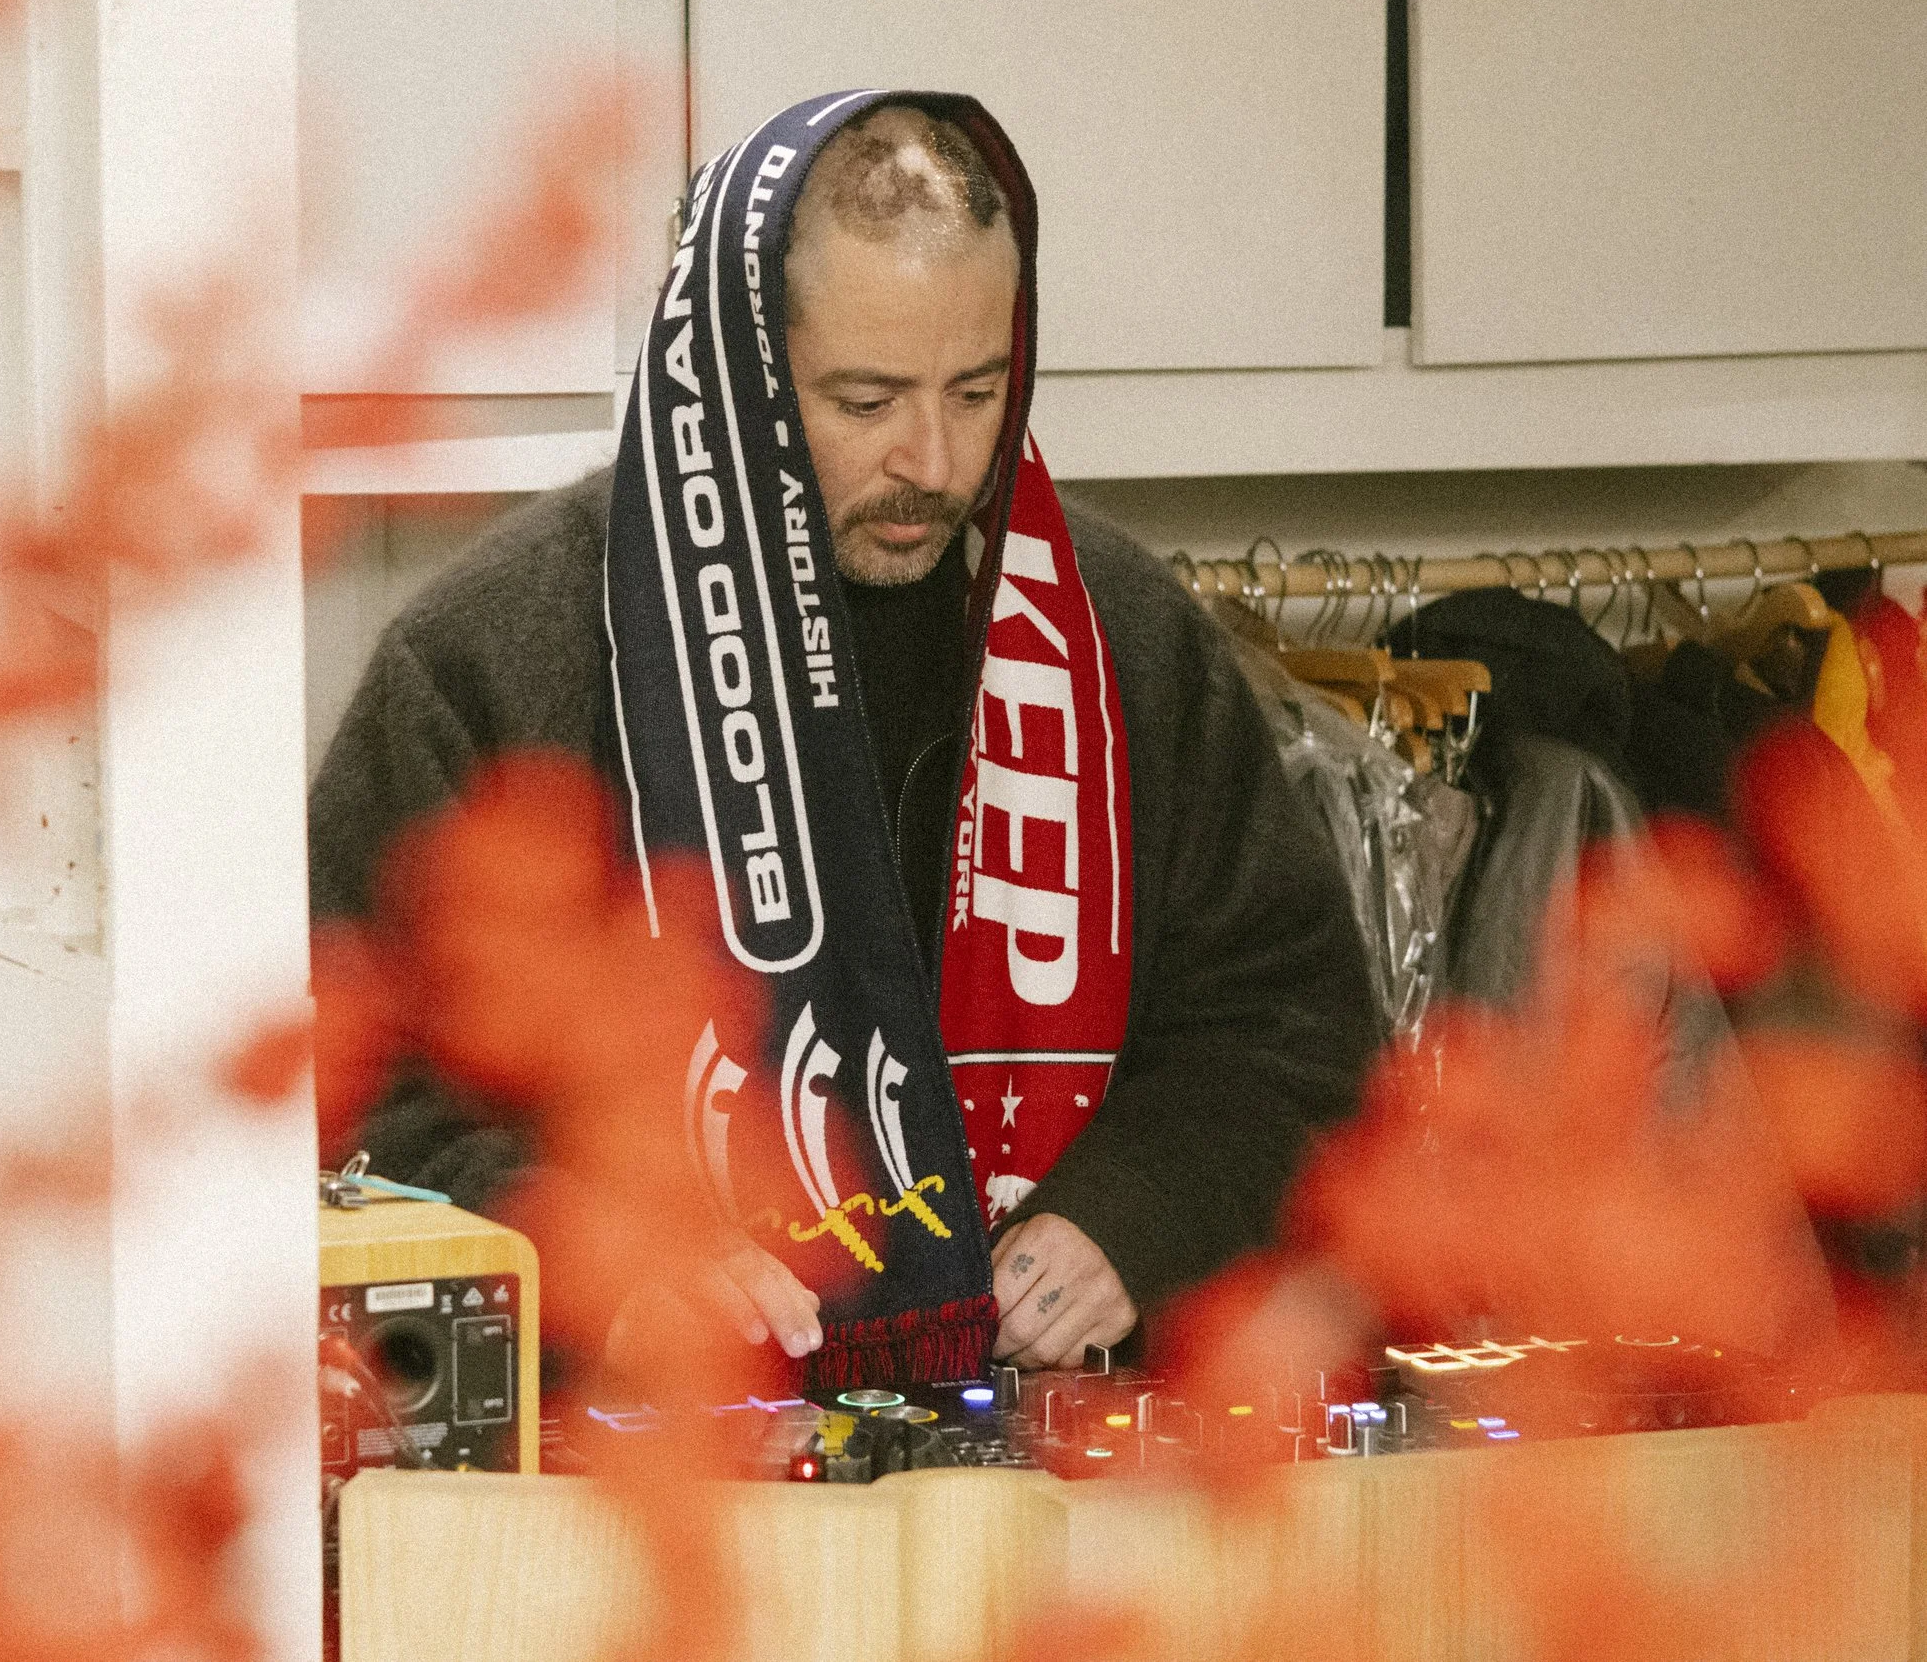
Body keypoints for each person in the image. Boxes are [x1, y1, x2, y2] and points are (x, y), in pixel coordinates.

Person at [310, 96, 1380, 1372]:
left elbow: (1293, 1040)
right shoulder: (491, 659)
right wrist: (600, 1251)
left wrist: (1134, 1214)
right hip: (636, 1482)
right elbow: (351, 1093)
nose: (930, 457)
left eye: (977, 391)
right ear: (740, 375)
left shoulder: (1120, 642)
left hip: (1057, 1473)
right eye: (865, 401)